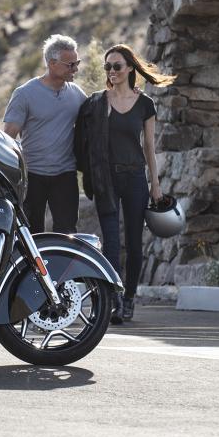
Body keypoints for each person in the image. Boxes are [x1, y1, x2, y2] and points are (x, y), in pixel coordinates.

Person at [76, 43, 175, 323]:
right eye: (107, 66)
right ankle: (114, 300)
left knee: (133, 244)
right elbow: (82, 141)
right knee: (110, 243)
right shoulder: (96, 103)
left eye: (117, 66)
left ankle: (129, 298)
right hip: (105, 179)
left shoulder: (145, 104)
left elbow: (149, 147)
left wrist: (155, 184)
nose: (112, 71)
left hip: (134, 179)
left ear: (130, 68)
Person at [3, 34, 86, 233]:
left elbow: (99, 112)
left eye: (77, 63)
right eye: (70, 65)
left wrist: (127, 91)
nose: (75, 69)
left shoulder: (76, 94)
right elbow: (7, 139)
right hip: (32, 177)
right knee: (32, 233)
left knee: (67, 233)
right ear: (52, 63)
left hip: (65, 175)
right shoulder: (24, 94)